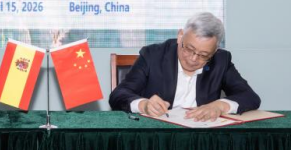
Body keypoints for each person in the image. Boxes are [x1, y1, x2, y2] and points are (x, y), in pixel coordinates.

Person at [109, 12, 260, 121]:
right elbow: (118, 94)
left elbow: (250, 97)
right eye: (189, 49)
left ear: (214, 51)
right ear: (180, 36)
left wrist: (220, 106)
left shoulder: (221, 60)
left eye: (203, 55)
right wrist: (144, 105)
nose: (193, 59)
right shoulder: (153, 55)